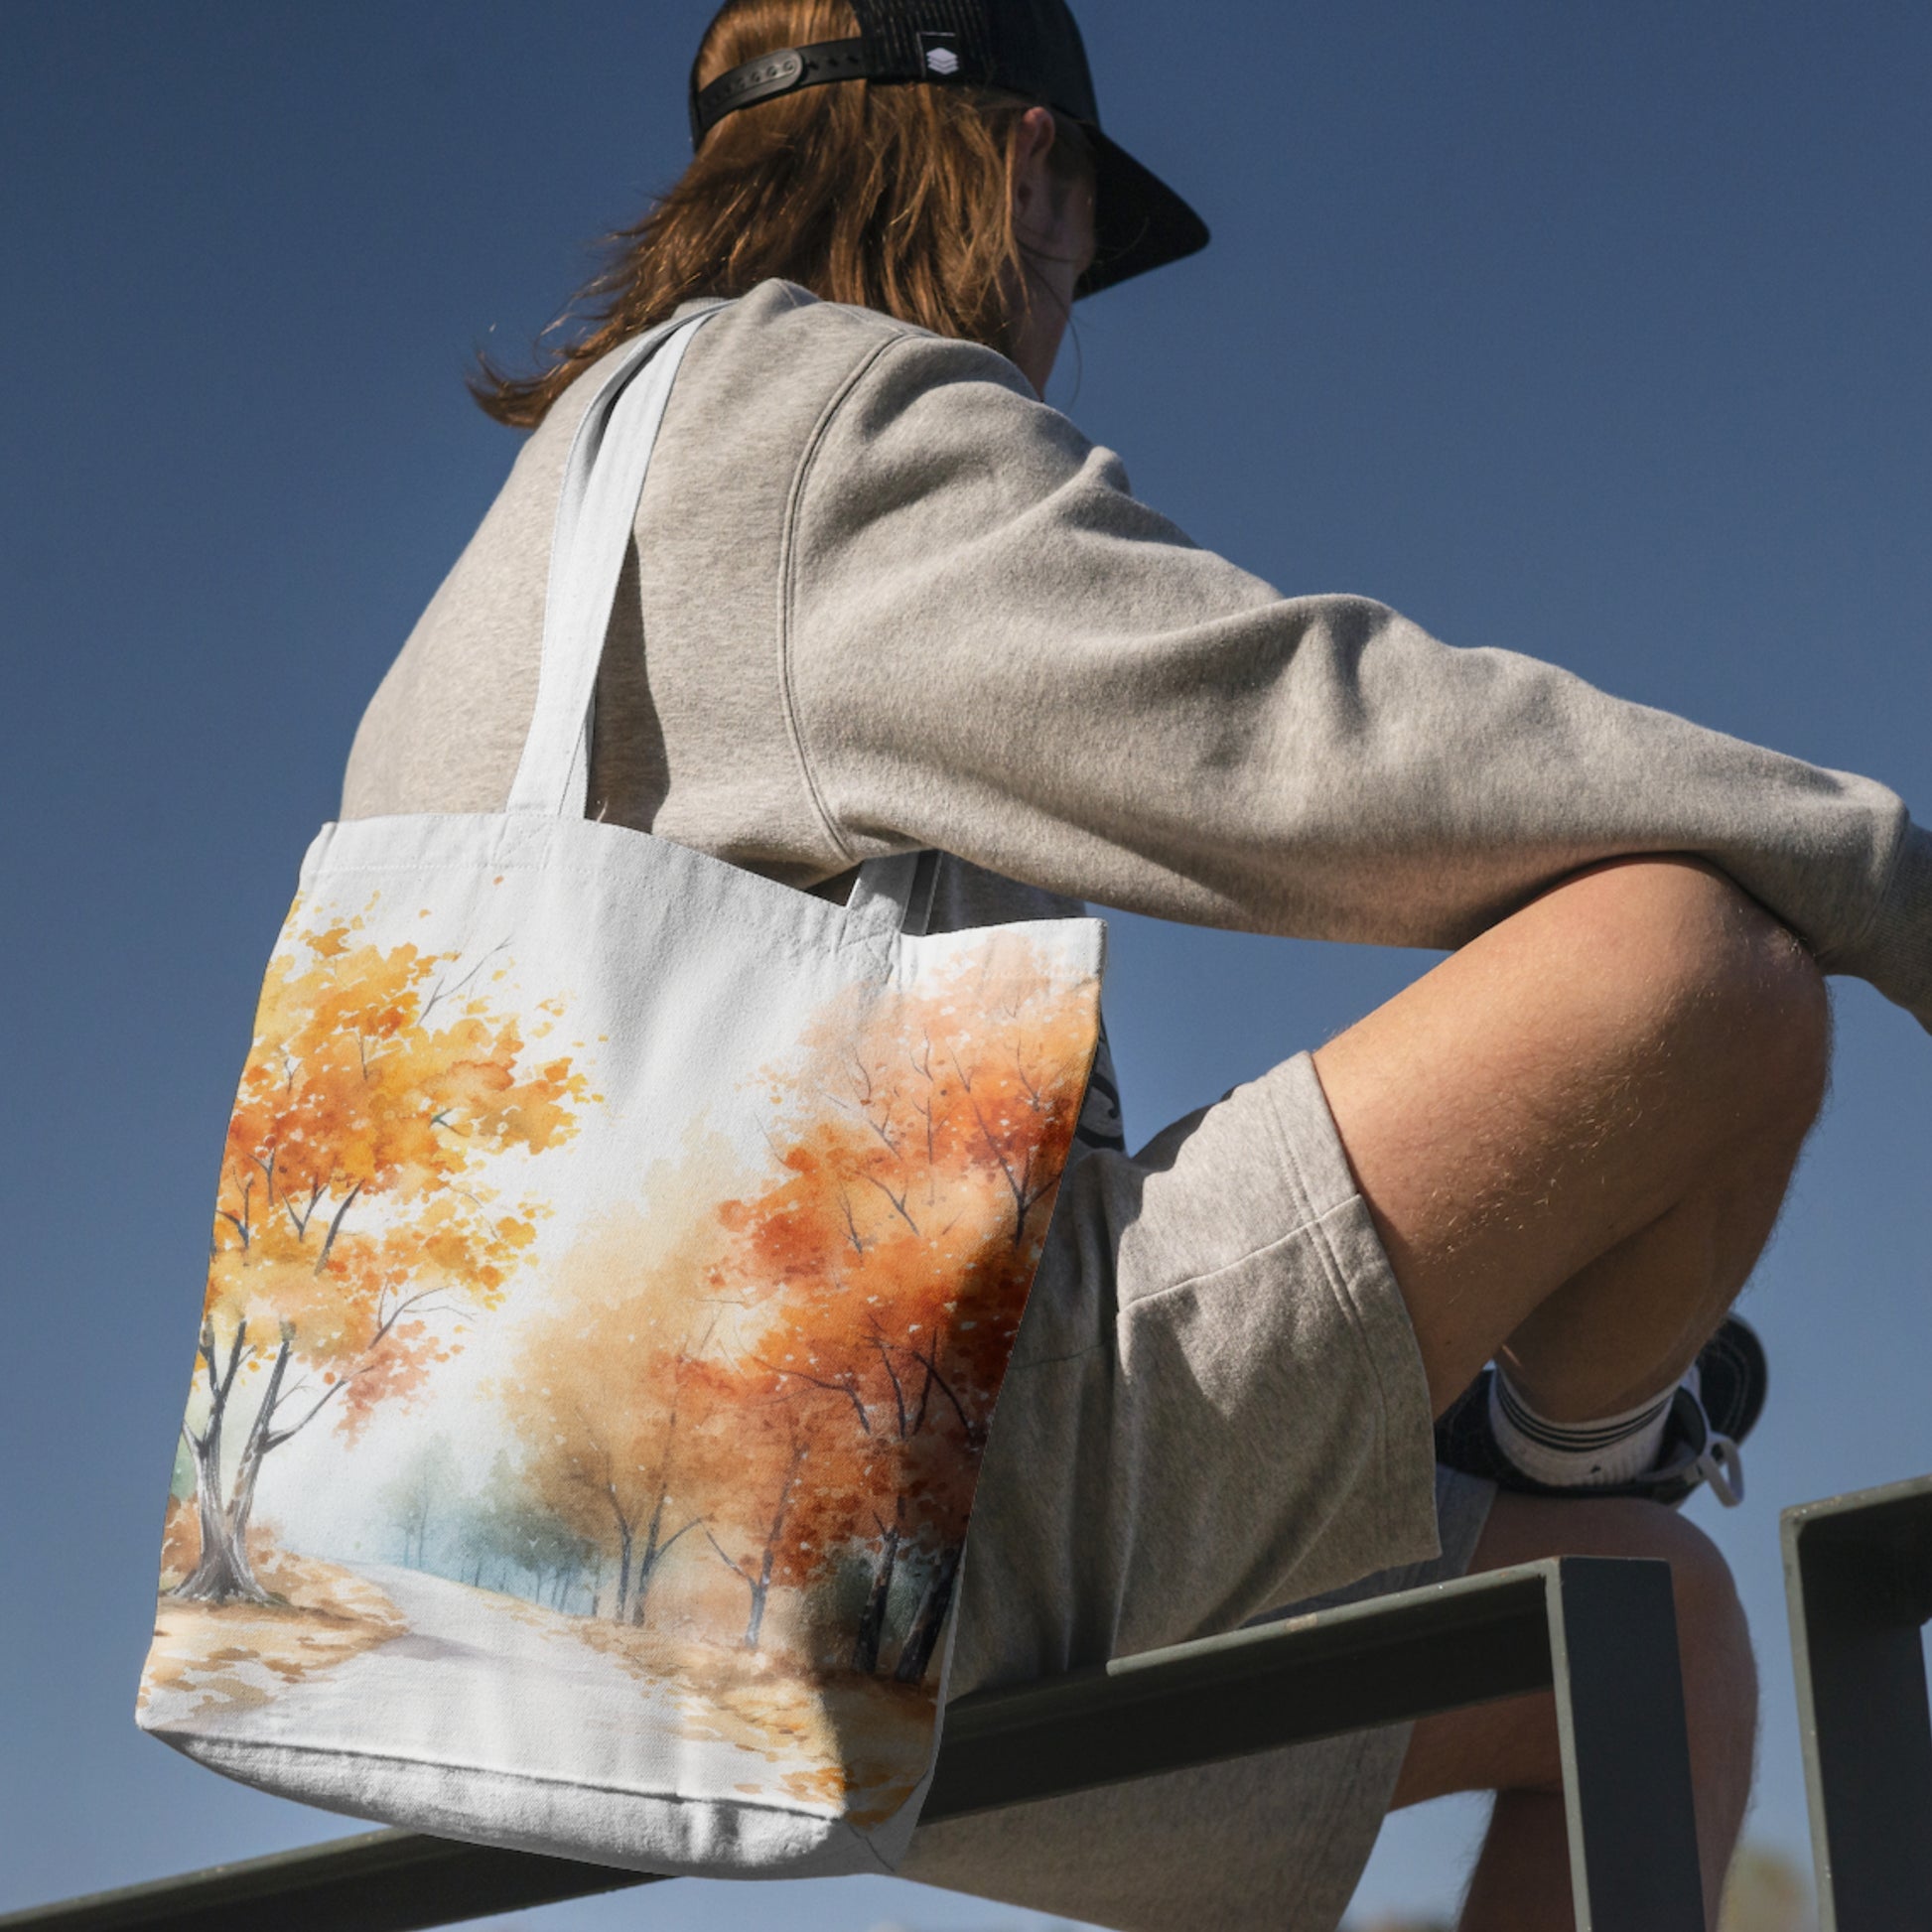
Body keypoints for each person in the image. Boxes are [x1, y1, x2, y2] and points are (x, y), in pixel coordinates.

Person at [341, 2, 1929, 1926]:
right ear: (1030, 171)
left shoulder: (522, 554)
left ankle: (1580, 1468)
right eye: (1088, 233)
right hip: (879, 1531)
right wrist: (1892, 881)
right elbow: (1298, 751)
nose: (1071, 293)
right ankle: (1581, 1435)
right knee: (1696, 960)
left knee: (1636, 1629)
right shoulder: (815, 417)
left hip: (513, 1588)